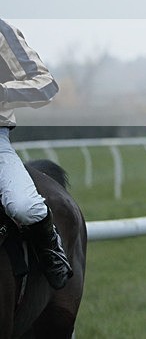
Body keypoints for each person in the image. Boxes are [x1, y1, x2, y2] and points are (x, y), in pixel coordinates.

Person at [0, 19, 73, 289]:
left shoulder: (2, 32)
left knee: (24, 206)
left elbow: (45, 85)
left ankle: (50, 249)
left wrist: (3, 91)